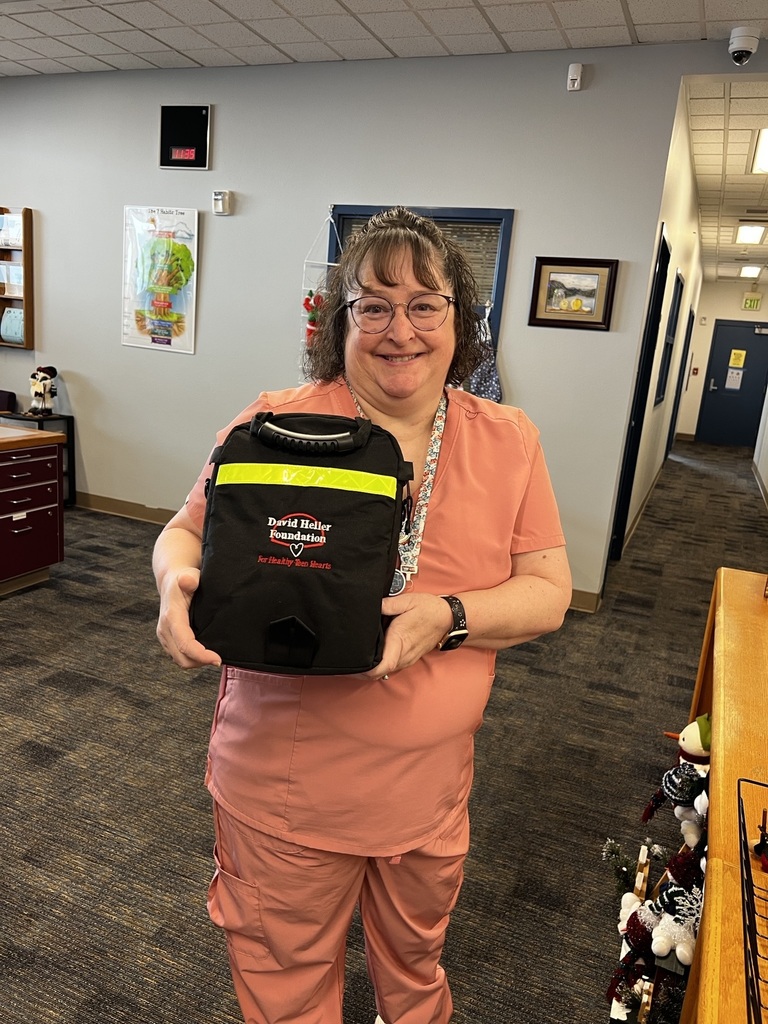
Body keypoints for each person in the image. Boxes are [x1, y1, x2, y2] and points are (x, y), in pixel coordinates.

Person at [153, 206, 572, 1024]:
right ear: (337, 320)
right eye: (372, 305)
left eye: (426, 304)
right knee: (286, 979)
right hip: (285, 791)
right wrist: (173, 586)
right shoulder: (271, 424)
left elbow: (548, 590)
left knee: (415, 968)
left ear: (460, 322)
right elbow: (183, 533)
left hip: (430, 791)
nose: (401, 329)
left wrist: (447, 616)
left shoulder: (508, 439)